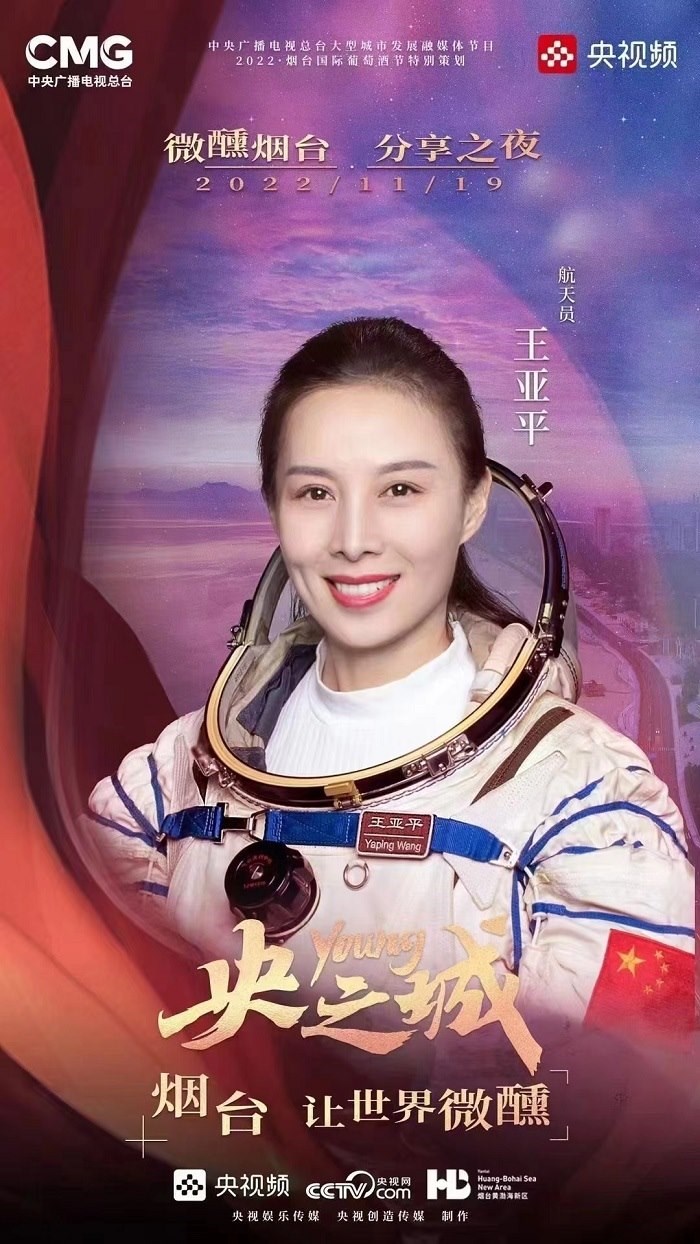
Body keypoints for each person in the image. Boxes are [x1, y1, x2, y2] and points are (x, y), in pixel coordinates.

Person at [77, 317, 694, 1043]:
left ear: (471, 504)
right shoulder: (165, 784)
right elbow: (100, 1032)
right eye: (315, 493)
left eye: (400, 488)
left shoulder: (589, 802)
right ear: (274, 508)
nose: (353, 540)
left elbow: (619, 1085)